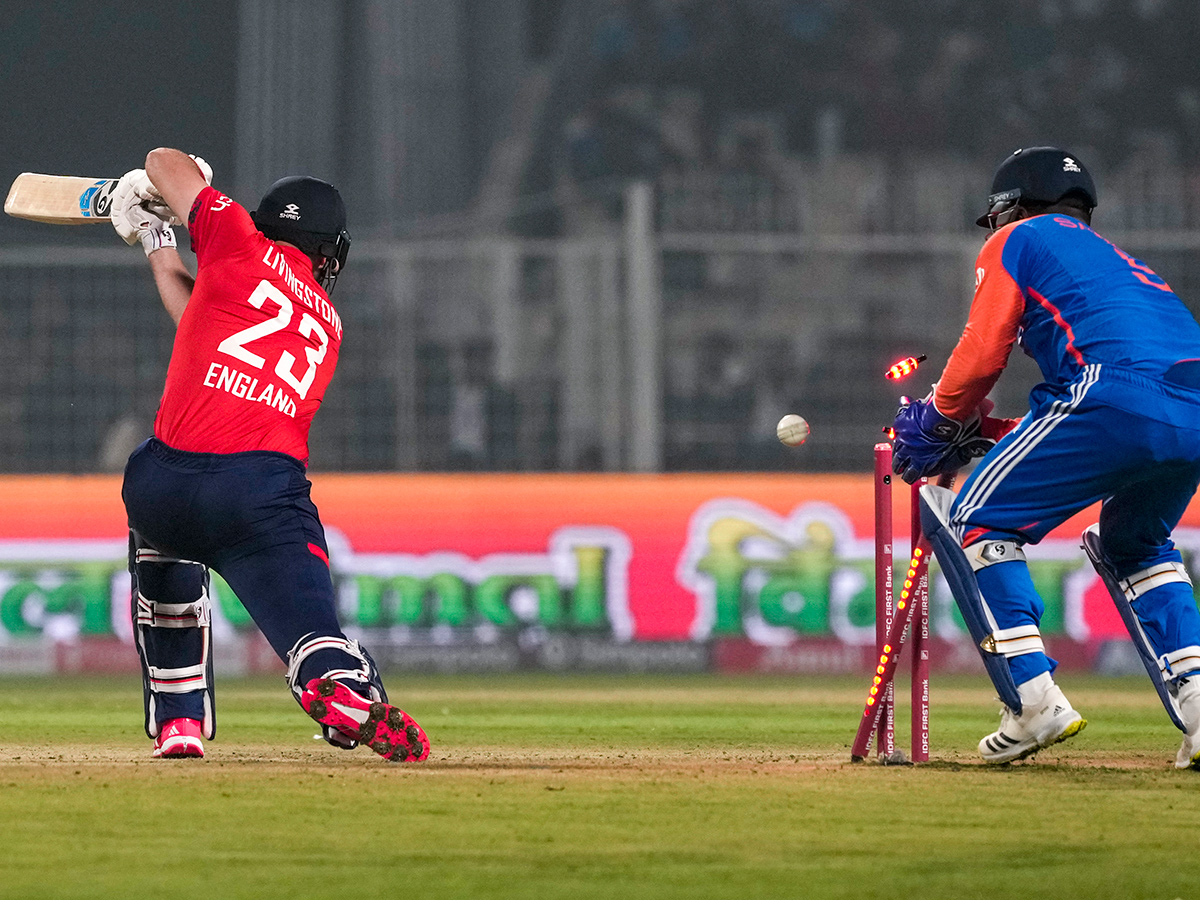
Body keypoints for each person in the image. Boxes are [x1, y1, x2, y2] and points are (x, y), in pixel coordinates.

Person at [109, 148, 429, 762]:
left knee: (162, 556)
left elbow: (161, 160)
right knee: (311, 631)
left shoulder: (236, 240)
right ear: (326, 249)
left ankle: (177, 723)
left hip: (165, 483)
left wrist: (163, 200)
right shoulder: (328, 320)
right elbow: (209, 320)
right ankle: (338, 691)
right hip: (258, 496)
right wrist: (159, 232)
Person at [891, 146, 1200, 768]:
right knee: (1135, 545)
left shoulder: (1019, 239)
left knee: (972, 518)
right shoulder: (1119, 262)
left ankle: (1033, 701)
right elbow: (1117, 384)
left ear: (1012, 207)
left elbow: (982, 355)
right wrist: (996, 429)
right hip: (1191, 407)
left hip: (1110, 396)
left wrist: (938, 416)